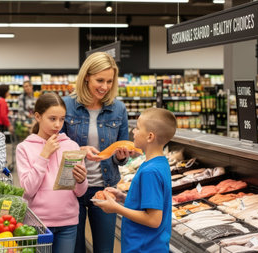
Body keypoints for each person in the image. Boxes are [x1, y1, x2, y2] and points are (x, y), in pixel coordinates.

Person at [61, 52, 130, 253]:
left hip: (105, 187)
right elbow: (55, 147)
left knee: (105, 248)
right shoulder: (66, 106)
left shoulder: (118, 109)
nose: (105, 86)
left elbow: (121, 155)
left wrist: (121, 156)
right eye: (100, 80)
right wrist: (78, 150)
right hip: (72, 187)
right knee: (75, 248)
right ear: (86, 77)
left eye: (110, 81)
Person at [94, 108, 177, 253]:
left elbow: (153, 219)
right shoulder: (159, 163)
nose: (133, 131)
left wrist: (115, 208)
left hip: (143, 248)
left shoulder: (150, 171)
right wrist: (123, 198)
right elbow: (149, 205)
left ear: (150, 137)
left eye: (138, 128)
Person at [16, 92, 88, 253]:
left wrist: (82, 180)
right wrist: (44, 155)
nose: (58, 124)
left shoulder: (72, 146)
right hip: (37, 223)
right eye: (52, 118)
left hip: (68, 222)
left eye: (62, 119)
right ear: (38, 116)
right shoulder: (24, 148)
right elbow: (27, 190)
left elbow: (80, 192)